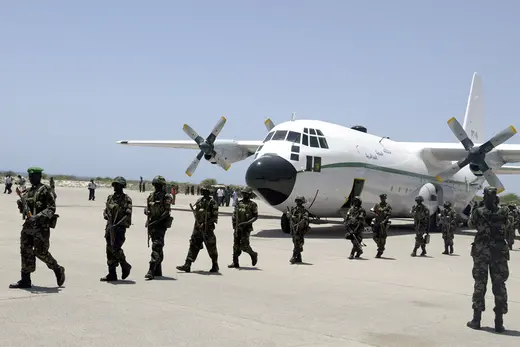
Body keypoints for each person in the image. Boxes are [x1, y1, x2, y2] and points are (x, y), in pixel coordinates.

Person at [9, 167, 65, 289]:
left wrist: (38, 216)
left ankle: (57, 268)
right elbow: (24, 210)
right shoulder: (28, 192)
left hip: (41, 227)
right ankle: (25, 280)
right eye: (29, 176)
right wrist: (21, 205)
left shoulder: (45, 190)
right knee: (25, 250)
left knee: (41, 252)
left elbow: (51, 208)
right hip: (28, 226)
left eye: (33, 176)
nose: (31, 179)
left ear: (39, 177)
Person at [466, 186, 510, 333]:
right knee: (499, 286)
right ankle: (499, 322)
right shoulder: (504, 211)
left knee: (480, 284)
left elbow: (471, 224)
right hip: (498, 253)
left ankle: (476, 319)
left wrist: (475, 209)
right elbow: (508, 226)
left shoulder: (479, 212)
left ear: (484, 196)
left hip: (482, 252)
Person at [177, 186, 220, 273]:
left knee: (211, 247)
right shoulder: (200, 200)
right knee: (193, 245)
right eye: (202, 191)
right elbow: (197, 213)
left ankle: (215, 265)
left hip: (207, 229)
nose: (203, 192)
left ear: (208, 192)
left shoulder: (212, 202)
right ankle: (187, 265)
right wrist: (198, 224)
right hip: (198, 227)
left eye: (204, 191)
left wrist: (205, 223)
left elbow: (214, 217)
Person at [101, 176, 133, 282]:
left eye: (117, 185)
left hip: (119, 228)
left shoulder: (126, 199)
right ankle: (112, 273)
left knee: (115, 248)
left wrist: (117, 224)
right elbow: (105, 211)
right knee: (109, 249)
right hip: (109, 227)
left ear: (122, 186)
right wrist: (106, 215)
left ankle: (125, 265)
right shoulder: (110, 197)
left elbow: (127, 215)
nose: (115, 187)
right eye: (114, 185)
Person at [144, 176, 173, 279]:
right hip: (152, 224)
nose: (157, 187)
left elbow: (166, 211)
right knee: (158, 246)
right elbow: (147, 208)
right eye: (156, 185)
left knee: (156, 246)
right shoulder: (151, 196)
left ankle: (151, 269)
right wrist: (146, 212)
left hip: (160, 225)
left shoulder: (166, 197)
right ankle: (158, 269)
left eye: (159, 185)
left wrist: (157, 221)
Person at [228, 187, 258, 268]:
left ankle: (253, 254)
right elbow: (234, 214)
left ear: (249, 195)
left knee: (244, 245)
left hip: (246, 228)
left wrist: (246, 223)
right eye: (243, 193)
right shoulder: (239, 203)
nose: (244, 195)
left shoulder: (252, 204)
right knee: (236, 244)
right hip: (238, 227)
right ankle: (235, 262)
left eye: (246, 193)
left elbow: (255, 216)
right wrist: (235, 225)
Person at [287, 195, 310, 264]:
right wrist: (289, 215)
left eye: (299, 201)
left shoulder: (304, 211)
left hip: (300, 230)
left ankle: (294, 257)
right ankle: (299, 258)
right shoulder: (293, 209)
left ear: (302, 202)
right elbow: (289, 217)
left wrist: (294, 218)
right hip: (293, 229)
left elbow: (305, 219)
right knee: (295, 243)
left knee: (297, 243)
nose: (298, 202)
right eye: (297, 200)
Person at [371, 194, 392, 258]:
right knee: (374, 237)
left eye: (383, 198)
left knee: (382, 237)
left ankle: (380, 251)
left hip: (383, 223)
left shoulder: (387, 206)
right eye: (381, 198)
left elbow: (389, 215)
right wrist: (375, 213)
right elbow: (372, 210)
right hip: (377, 223)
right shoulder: (377, 205)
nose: (382, 199)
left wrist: (384, 221)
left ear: (385, 198)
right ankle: (380, 246)